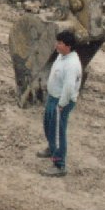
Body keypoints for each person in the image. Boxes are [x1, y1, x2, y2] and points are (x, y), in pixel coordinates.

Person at [39, 29, 82, 177]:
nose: (57, 45)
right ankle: (52, 149)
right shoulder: (62, 56)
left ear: (68, 46)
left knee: (58, 133)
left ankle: (59, 165)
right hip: (53, 97)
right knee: (48, 125)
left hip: (61, 101)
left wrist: (62, 105)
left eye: (60, 43)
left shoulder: (71, 64)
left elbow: (69, 88)